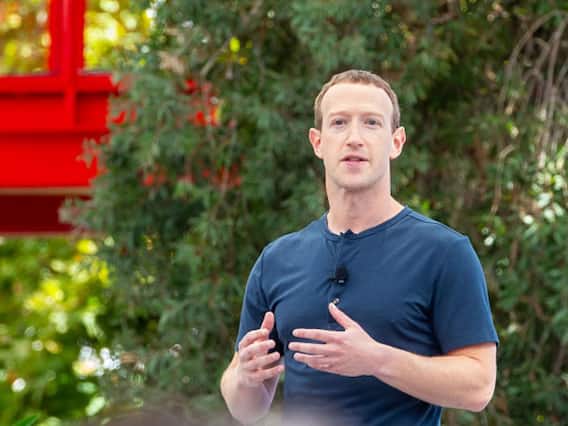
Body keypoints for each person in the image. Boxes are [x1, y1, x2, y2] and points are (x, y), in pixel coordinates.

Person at [220, 69, 498, 425]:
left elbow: (478, 387)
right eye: (339, 123)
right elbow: (246, 408)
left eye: (371, 123)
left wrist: (376, 360)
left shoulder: (444, 253)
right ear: (317, 142)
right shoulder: (276, 260)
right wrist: (245, 377)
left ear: (396, 142)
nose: (354, 138)